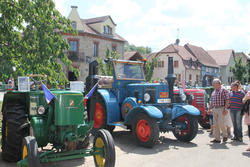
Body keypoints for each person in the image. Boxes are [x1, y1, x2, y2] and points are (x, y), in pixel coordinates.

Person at [208, 78, 230, 143]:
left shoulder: (224, 90)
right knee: (215, 124)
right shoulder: (214, 91)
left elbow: (227, 100)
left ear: (218, 84)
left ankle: (225, 135)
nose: (213, 85)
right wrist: (209, 109)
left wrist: (225, 109)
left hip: (221, 108)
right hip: (215, 108)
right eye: (213, 84)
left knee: (221, 123)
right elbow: (212, 101)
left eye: (214, 84)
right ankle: (217, 139)